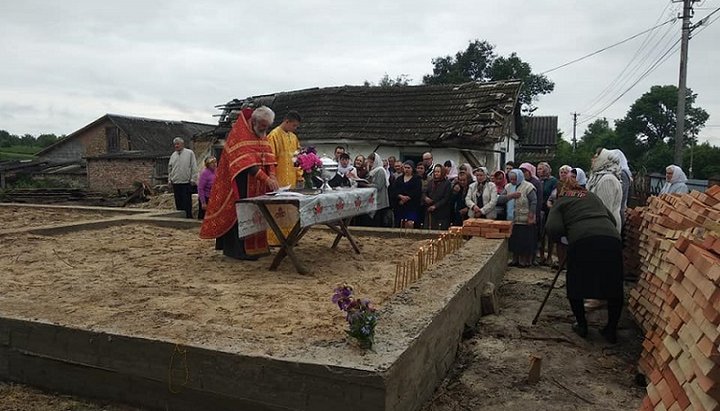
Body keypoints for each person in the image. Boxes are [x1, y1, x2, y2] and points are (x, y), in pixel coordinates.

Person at [545, 178, 624, 343]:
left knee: (576, 283)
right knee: (613, 284)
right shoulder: (592, 197)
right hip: (611, 239)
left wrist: (565, 237)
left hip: (583, 241)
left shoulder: (561, 201)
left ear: (561, 191)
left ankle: (582, 325)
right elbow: (612, 219)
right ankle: (611, 329)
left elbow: (553, 228)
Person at [200, 106, 279, 260]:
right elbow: (246, 164)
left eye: (267, 126)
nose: (265, 129)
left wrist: (273, 176)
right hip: (239, 183)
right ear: (254, 121)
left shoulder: (261, 134)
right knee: (240, 215)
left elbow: (268, 157)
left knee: (258, 213)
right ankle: (238, 251)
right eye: (263, 126)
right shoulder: (239, 134)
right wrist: (266, 179)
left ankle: (259, 248)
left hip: (258, 185)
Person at [497, 169, 537, 267]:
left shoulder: (528, 187)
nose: (513, 181)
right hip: (512, 218)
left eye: (515, 179)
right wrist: (510, 196)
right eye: (511, 179)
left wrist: (531, 215)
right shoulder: (508, 187)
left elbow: (533, 201)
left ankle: (523, 261)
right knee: (514, 241)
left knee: (523, 241)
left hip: (524, 218)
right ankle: (514, 259)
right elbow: (500, 199)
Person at [587, 149, 623, 234]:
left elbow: (605, 211)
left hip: (605, 230)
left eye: (596, 157)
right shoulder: (598, 177)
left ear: (603, 160)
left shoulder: (607, 180)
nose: (592, 160)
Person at [267, 110, 302, 188]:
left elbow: (297, 159)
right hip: (278, 181)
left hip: (292, 181)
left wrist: (299, 176)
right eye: (294, 125)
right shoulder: (273, 136)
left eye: (297, 126)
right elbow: (270, 160)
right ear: (287, 121)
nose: (295, 128)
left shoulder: (294, 137)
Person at [168, 137, 198, 219]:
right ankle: (180, 217)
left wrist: (193, 179)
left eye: (178, 144)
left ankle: (188, 217)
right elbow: (170, 169)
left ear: (182, 144)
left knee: (187, 201)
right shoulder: (173, 155)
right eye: (175, 144)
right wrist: (170, 180)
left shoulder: (189, 153)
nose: (176, 146)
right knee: (178, 201)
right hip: (176, 182)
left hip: (186, 182)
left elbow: (194, 166)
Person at [390, 160, 422, 228]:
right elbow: (394, 190)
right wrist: (400, 196)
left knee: (410, 223)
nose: (406, 169)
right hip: (400, 206)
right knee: (401, 223)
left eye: (408, 168)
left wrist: (407, 198)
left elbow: (417, 192)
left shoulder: (417, 179)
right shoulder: (399, 179)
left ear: (412, 169)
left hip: (412, 206)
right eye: (405, 167)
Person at [365, 152, 392, 227]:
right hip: (373, 200)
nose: (369, 164)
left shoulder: (380, 170)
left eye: (371, 162)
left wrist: (366, 185)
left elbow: (378, 186)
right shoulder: (373, 171)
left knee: (378, 221)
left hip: (379, 200)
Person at [423, 164, 452, 230]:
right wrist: (425, 198)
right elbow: (424, 192)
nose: (436, 173)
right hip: (430, 211)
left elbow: (446, 198)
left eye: (438, 172)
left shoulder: (447, 183)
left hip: (441, 212)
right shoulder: (430, 182)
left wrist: (435, 206)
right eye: (435, 172)